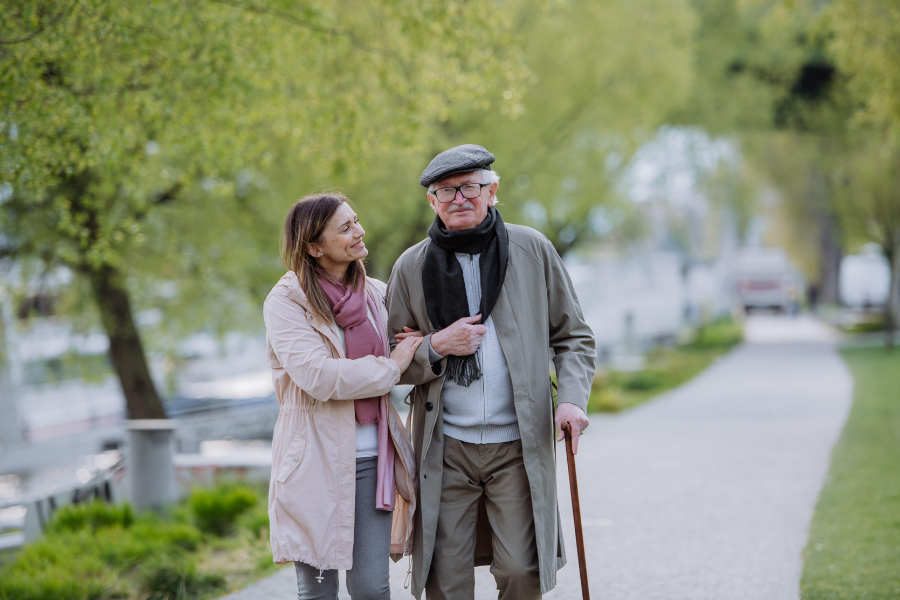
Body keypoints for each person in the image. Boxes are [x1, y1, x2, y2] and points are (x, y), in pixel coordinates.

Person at [387, 144, 596, 599]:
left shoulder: (532, 249)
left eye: (470, 187)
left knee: (524, 571)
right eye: (446, 191)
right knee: (444, 580)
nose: (459, 199)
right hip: (445, 446)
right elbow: (391, 360)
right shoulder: (411, 266)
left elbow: (573, 336)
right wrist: (436, 346)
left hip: (517, 443)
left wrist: (573, 400)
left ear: (493, 191)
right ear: (432, 201)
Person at [264, 193, 423, 600]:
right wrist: (392, 366)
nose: (359, 232)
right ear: (314, 247)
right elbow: (318, 376)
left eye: (357, 221)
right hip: (312, 463)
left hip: (374, 461)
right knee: (318, 593)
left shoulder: (376, 293)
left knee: (371, 588)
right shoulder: (286, 302)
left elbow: (413, 345)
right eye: (346, 228)